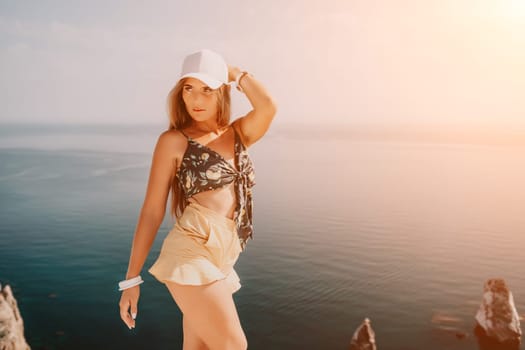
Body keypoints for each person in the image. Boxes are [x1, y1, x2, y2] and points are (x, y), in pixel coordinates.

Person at [118, 49, 277, 350]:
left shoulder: (239, 133)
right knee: (234, 346)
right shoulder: (173, 141)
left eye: (207, 89)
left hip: (223, 257)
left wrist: (234, 72)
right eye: (189, 89)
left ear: (222, 92)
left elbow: (267, 106)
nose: (196, 99)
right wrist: (131, 279)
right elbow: (152, 211)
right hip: (191, 251)